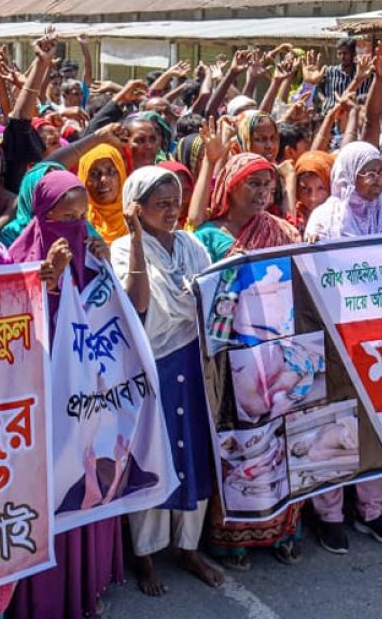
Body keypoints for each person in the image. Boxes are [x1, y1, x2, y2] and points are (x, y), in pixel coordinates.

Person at [6, 171, 123, 619]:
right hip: (37, 405)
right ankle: (38, 597)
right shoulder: (17, 254)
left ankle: (84, 585)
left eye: (81, 216)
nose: (74, 225)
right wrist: (43, 281)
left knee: (85, 481)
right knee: (46, 493)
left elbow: (111, 321)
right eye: (63, 217)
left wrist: (105, 265)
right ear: (41, 214)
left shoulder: (89, 252)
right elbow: (4, 322)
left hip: (85, 402)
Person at [111, 167, 224, 597]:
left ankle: (188, 547)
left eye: (175, 202)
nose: (172, 211)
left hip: (194, 361)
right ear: (136, 209)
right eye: (160, 204)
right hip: (152, 366)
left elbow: (213, 297)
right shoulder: (123, 250)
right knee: (153, 455)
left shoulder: (193, 246)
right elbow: (136, 308)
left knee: (193, 451)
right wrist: (139, 241)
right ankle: (144, 554)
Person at [190, 151, 304, 568]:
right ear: (230, 186)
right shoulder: (206, 236)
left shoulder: (282, 231)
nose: (262, 193)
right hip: (228, 357)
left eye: (268, 185)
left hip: (277, 354)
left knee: (279, 441)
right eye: (253, 183)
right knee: (236, 444)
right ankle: (231, 538)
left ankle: (282, 530)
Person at [301, 141, 382, 553]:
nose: (377, 180)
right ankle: (329, 514)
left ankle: (373, 509)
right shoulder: (325, 218)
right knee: (332, 425)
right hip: (336, 338)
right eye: (368, 172)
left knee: (379, 426)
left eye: (380, 171)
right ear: (347, 175)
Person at [78, 143, 129, 245]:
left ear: (121, 174)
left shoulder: (137, 216)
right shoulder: (78, 222)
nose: (103, 180)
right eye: (94, 174)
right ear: (83, 179)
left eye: (111, 172)